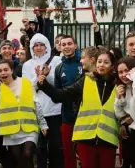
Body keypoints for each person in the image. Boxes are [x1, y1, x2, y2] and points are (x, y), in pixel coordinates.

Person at [0, 47, 49, 168]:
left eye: (6, 70)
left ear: (12, 70)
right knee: (19, 160)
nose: (3, 73)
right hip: (11, 132)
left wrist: (42, 123)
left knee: (27, 154)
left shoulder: (26, 83)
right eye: (0, 71)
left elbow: (36, 103)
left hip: (30, 128)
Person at [37, 51, 119, 168]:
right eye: (99, 62)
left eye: (106, 62)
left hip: (108, 140)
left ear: (112, 65)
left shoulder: (119, 85)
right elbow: (61, 95)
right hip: (85, 138)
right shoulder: (85, 80)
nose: (101, 65)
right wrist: (44, 84)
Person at [22, 33, 63, 168]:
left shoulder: (57, 60)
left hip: (55, 109)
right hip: (37, 111)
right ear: (32, 48)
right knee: (40, 148)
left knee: (56, 146)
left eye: (41, 45)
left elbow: (58, 84)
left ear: (47, 47)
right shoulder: (27, 65)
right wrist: (38, 78)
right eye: (36, 45)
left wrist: (46, 77)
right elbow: (28, 88)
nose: (39, 48)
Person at [54, 35, 82, 168]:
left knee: (84, 154)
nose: (66, 47)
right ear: (60, 47)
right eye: (63, 44)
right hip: (66, 117)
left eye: (69, 43)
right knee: (68, 154)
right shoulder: (59, 68)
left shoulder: (83, 63)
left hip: (84, 117)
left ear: (75, 45)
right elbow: (57, 95)